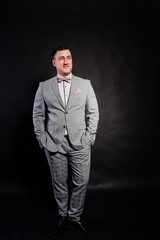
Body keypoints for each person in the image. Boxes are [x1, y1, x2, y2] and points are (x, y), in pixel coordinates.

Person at [32, 46, 99, 234]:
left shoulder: (85, 84)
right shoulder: (44, 86)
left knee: (81, 181)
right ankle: (63, 215)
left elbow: (93, 113)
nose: (66, 61)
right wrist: (42, 139)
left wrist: (89, 137)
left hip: (80, 143)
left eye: (68, 57)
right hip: (54, 144)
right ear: (54, 62)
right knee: (59, 182)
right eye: (61, 58)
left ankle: (75, 217)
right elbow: (37, 115)